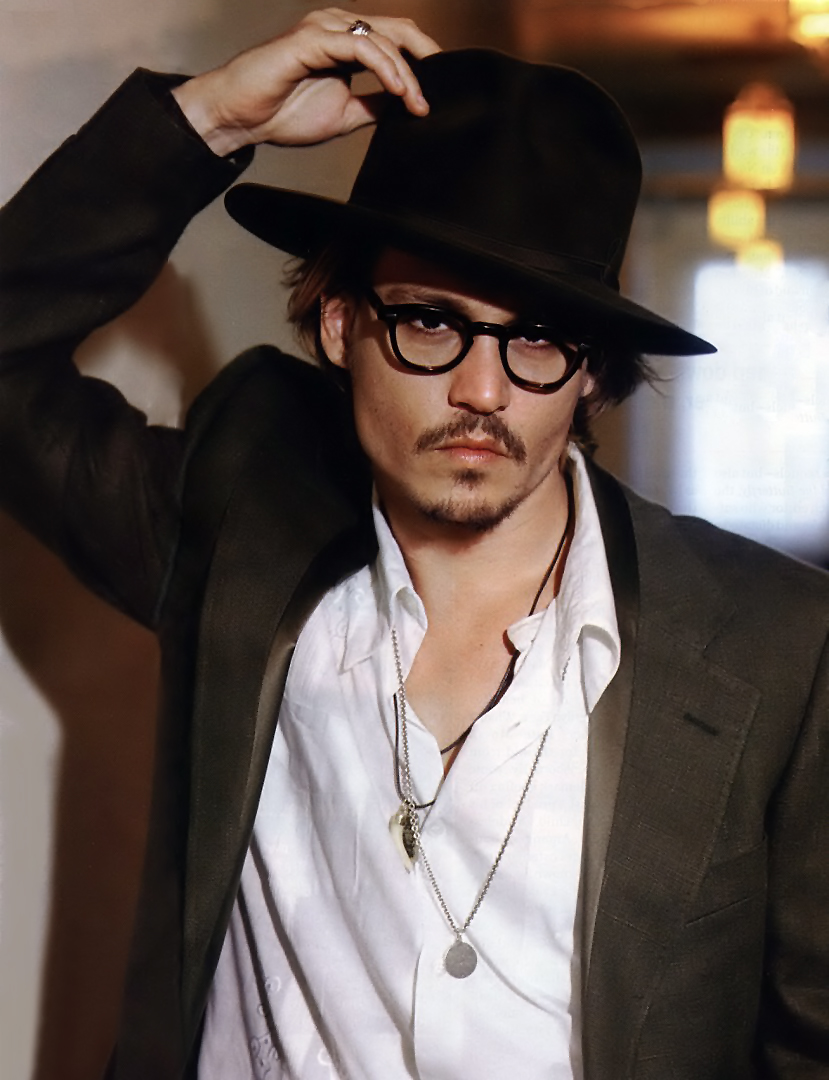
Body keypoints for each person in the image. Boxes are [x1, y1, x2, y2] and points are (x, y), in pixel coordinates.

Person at [1, 9, 828, 1079]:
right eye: (430, 321)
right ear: (340, 324)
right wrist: (206, 121)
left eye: (537, 337)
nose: (482, 390)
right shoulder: (239, 517)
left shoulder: (777, 642)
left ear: (589, 370)